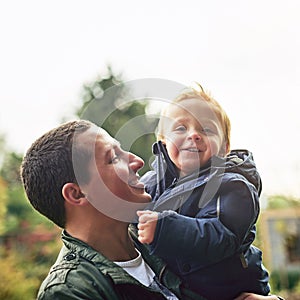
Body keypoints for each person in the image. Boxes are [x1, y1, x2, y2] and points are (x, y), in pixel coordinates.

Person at [20, 119, 282, 300]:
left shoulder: (165, 237)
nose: (137, 160)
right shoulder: (71, 291)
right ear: (77, 194)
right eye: (113, 158)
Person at [137, 84, 273, 300]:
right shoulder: (151, 183)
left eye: (206, 130)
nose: (194, 135)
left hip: (233, 292)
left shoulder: (233, 186)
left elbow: (222, 236)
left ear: (225, 147)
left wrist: (164, 228)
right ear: (163, 141)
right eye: (181, 128)